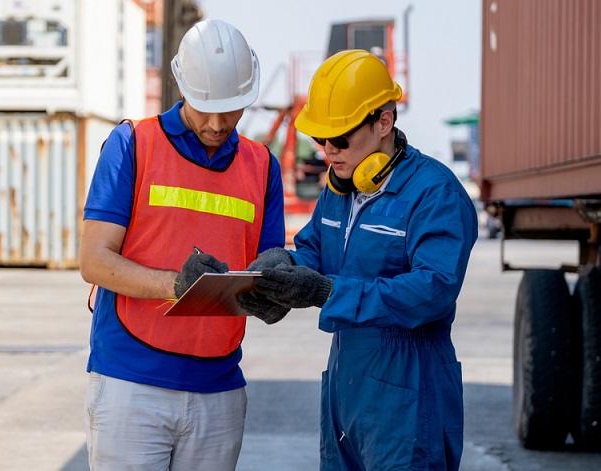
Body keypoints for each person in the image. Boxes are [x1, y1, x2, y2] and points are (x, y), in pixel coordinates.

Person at [237, 49, 478, 470]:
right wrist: (279, 271)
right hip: (345, 383)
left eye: (341, 137)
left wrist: (329, 291)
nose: (329, 150)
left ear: (384, 121)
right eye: (320, 139)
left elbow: (433, 290)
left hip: (410, 386)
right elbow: (315, 249)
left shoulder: (434, 193)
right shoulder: (339, 189)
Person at [78, 19, 285, 471]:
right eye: (205, 106)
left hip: (220, 387)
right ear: (181, 84)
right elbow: (94, 261)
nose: (217, 123)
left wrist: (280, 284)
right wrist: (179, 284)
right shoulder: (132, 143)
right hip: (131, 385)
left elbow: (269, 260)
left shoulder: (262, 165)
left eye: (231, 109)